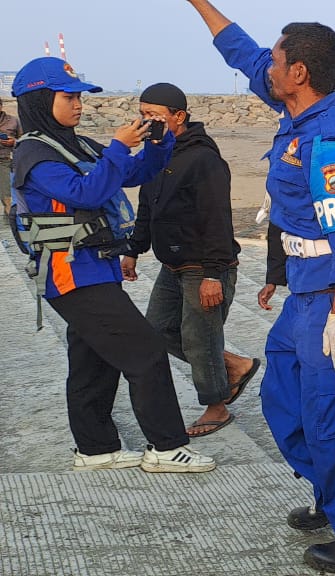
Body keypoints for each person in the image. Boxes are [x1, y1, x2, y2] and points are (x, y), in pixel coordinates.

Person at [184, 1, 335, 570]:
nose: (266, 70)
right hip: (305, 292)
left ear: (298, 72)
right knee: (285, 400)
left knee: (334, 412)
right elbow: (244, 54)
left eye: (276, 62)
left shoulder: (327, 141)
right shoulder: (294, 112)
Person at [9, 57, 215, 473]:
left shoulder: (77, 144)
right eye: (69, 97)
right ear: (40, 99)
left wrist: (158, 146)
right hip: (70, 273)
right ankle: (166, 446)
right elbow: (86, 192)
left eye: (80, 96)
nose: (79, 104)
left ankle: (95, 449)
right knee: (146, 351)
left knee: (93, 360)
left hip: (95, 266)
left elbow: (132, 173)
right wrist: (119, 146)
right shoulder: (34, 153)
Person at [121, 82, 261, 438]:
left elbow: (217, 217)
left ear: (178, 117)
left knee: (200, 338)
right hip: (173, 265)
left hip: (204, 266)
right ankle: (233, 364)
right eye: (142, 115)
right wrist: (134, 250)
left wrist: (214, 274)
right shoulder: (156, 153)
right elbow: (146, 206)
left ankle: (216, 407)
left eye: (154, 116)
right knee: (155, 331)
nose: (146, 122)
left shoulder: (203, 158)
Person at [1, 97, 20, 200]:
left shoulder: (13, 121)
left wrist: (14, 142)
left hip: (5, 161)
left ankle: (9, 215)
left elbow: (24, 140)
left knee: (7, 196)